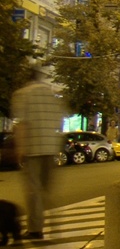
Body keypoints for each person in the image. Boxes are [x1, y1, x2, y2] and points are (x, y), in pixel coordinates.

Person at [11, 66, 68, 240]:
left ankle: (36, 229)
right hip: (51, 148)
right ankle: (55, 224)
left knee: (33, 190)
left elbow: (22, 124)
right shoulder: (52, 96)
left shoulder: (23, 94)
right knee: (46, 190)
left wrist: (20, 149)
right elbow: (60, 123)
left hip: (32, 148)